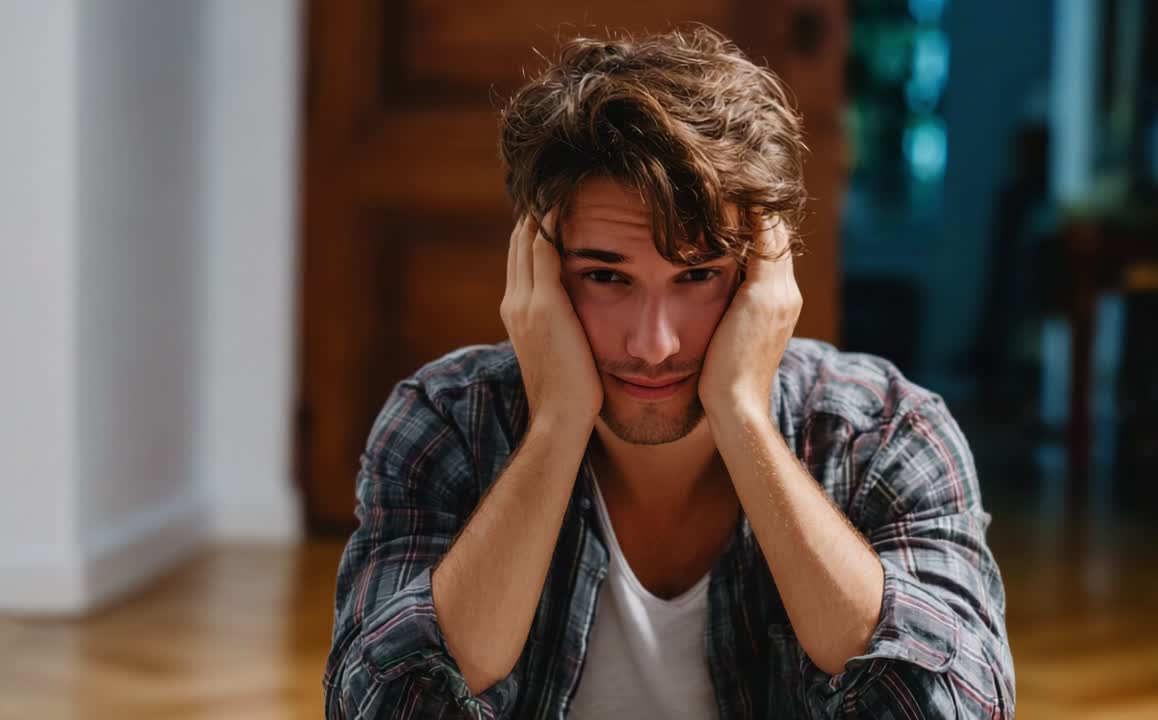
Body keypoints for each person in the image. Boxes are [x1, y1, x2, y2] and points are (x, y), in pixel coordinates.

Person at [323, 25, 1014, 719]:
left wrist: (743, 415)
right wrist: (558, 424)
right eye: (604, 276)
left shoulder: (886, 434)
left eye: (697, 275)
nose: (653, 345)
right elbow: (382, 706)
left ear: (764, 275)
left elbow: (951, 708)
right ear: (536, 270)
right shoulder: (445, 421)